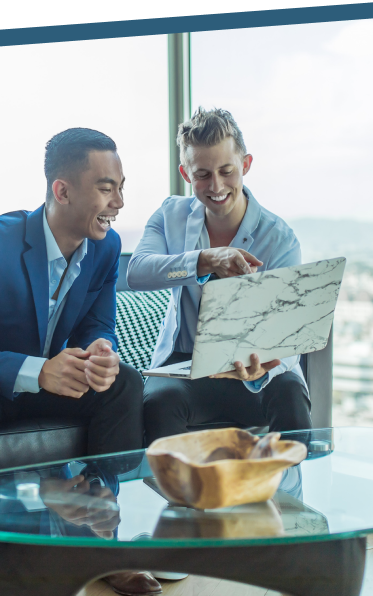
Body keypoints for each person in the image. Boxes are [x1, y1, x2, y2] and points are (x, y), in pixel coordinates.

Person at [0, 128, 160, 596]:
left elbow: (96, 325)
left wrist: (101, 351)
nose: (120, 202)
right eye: (107, 187)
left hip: (46, 383)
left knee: (123, 383)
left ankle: (97, 537)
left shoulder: (105, 248)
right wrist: (36, 369)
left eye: (122, 186)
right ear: (62, 191)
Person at [127, 107, 312, 446]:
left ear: (246, 164)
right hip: (186, 367)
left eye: (227, 170)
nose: (216, 186)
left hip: (254, 369)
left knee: (290, 393)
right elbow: (137, 272)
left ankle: (290, 497)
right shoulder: (170, 216)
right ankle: (178, 499)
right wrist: (205, 260)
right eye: (202, 174)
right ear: (185, 173)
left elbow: (289, 334)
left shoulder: (279, 238)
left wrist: (265, 367)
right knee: (158, 402)